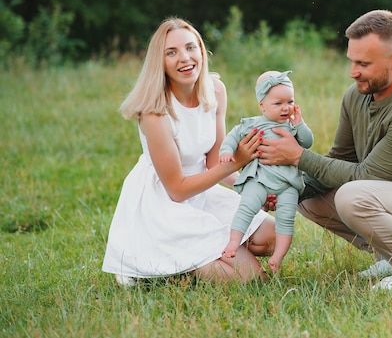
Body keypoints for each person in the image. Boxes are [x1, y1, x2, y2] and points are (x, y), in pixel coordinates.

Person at [258, 9, 392, 290]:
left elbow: (368, 176)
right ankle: (391, 255)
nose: (353, 72)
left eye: (363, 63)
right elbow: (340, 160)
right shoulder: (356, 95)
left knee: (351, 195)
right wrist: (283, 188)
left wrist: (299, 156)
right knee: (302, 194)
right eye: (351, 61)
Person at [102, 17, 276, 286]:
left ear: (201, 51)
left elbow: (215, 161)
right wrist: (235, 164)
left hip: (202, 192)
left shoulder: (215, 90)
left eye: (190, 47)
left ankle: (201, 255)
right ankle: (161, 263)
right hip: (165, 203)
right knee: (253, 280)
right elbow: (177, 189)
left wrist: (254, 188)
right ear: (159, 62)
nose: (185, 58)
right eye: (171, 52)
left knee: (271, 236)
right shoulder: (155, 111)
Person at [220, 70, 313, 273]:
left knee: (287, 217)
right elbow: (232, 136)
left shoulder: (292, 126)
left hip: (287, 183)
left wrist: (300, 124)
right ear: (262, 105)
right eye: (278, 103)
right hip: (259, 179)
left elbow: (308, 142)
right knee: (247, 206)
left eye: (290, 101)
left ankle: (278, 257)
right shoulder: (252, 124)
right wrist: (227, 151)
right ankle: (234, 242)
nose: (285, 107)